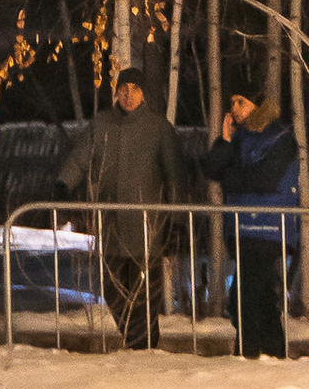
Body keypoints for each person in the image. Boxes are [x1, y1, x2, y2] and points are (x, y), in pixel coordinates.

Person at [59, 68, 189, 349]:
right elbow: (81, 158)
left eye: (135, 89)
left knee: (145, 295)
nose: (128, 95)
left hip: (147, 230)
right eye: (123, 88)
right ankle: (137, 343)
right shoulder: (102, 124)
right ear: (116, 91)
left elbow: (175, 176)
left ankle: (142, 348)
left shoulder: (158, 128)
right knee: (113, 291)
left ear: (144, 94)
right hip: (112, 226)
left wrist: (176, 222)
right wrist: (63, 184)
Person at [202, 87, 300, 360]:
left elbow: (264, 180)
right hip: (243, 227)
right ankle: (266, 353)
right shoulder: (238, 137)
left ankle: (255, 353)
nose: (234, 108)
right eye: (232, 102)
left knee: (249, 296)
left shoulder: (280, 137)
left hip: (269, 229)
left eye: (241, 101)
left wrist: (231, 177)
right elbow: (211, 169)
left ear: (259, 106)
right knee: (253, 295)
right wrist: (223, 139)